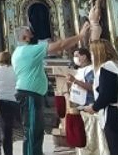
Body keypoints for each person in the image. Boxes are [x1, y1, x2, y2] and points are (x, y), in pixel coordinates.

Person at [12, 22, 90, 155]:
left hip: (31, 94)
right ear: (24, 37)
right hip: (29, 95)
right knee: (32, 131)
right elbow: (60, 46)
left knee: (36, 131)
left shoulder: (21, 51)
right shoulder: (28, 50)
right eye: (28, 31)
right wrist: (81, 35)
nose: (31, 32)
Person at [66, 48, 106, 155]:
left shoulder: (91, 70)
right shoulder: (79, 70)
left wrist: (75, 81)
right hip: (79, 106)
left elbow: (93, 88)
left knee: (91, 137)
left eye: (77, 55)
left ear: (84, 57)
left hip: (90, 107)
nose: (75, 58)